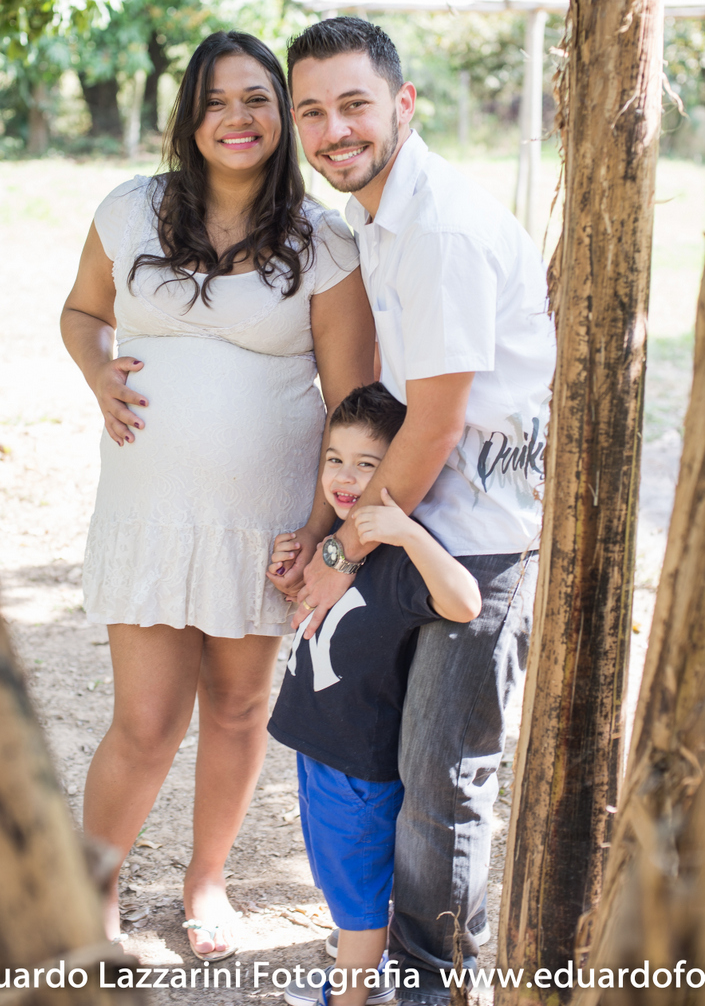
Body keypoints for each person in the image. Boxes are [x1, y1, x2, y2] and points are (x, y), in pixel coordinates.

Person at [60, 30, 374, 954]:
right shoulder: (129, 211)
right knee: (146, 719)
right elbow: (83, 313)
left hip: (266, 519)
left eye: (256, 100)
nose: (235, 118)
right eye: (215, 101)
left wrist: (318, 532)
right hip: (151, 516)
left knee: (238, 709)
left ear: (281, 116)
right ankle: (95, 893)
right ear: (188, 116)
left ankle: (206, 887)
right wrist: (95, 371)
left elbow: (352, 400)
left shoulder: (322, 241)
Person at [268, 17, 556, 1003]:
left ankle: (435, 987)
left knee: (443, 784)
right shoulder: (375, 221)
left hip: (474, 543)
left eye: (355, 104)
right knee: (384, 761)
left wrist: (340, 555)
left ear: (404, 104)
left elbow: (431, 426)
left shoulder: (433, 230)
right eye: (313, 111)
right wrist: (330, 530)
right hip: (415, 521)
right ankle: (383, 965)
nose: (334, 129)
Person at [267, 383, 481, 1006]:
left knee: (359, 904)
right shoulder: (339, 544)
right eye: (336, 458)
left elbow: (466, 602)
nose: (346, 476)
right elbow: (330, 621)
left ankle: (351, 998)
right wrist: (292, 570)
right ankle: (358, 977)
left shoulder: (399, 552)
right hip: (318, 746)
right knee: (341, 887)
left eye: (368, 464)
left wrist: (408, 534)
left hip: (359, 767)